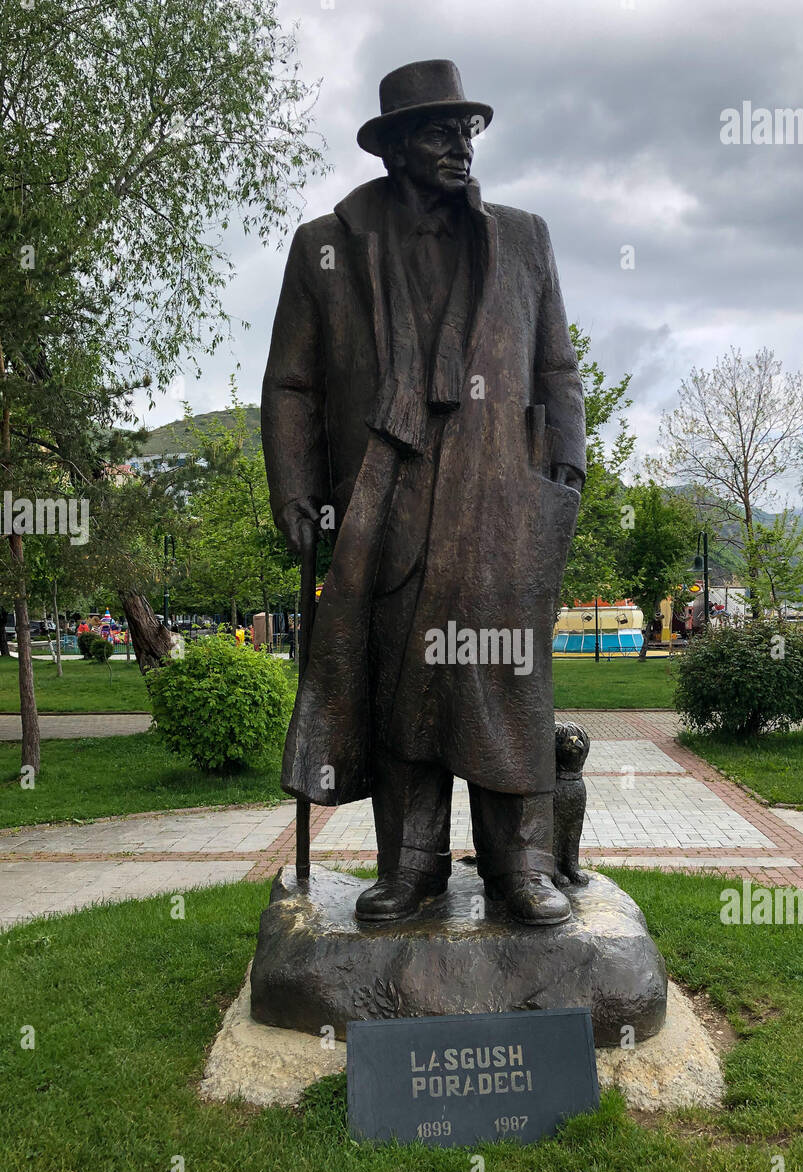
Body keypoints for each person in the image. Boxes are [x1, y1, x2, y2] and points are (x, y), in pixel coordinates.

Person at [263, 60, 585, 925]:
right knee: (405, 682)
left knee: (503, 678)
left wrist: (567, 469)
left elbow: (556, 367)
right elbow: (291, 384)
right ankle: (412, 866)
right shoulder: (326, 245)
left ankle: (522, 864)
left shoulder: (524, 237)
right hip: (388, 493)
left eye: (468, 133)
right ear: (398, 146)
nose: (461, 148)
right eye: (441, 133)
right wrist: (294, 491)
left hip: (497, 499)